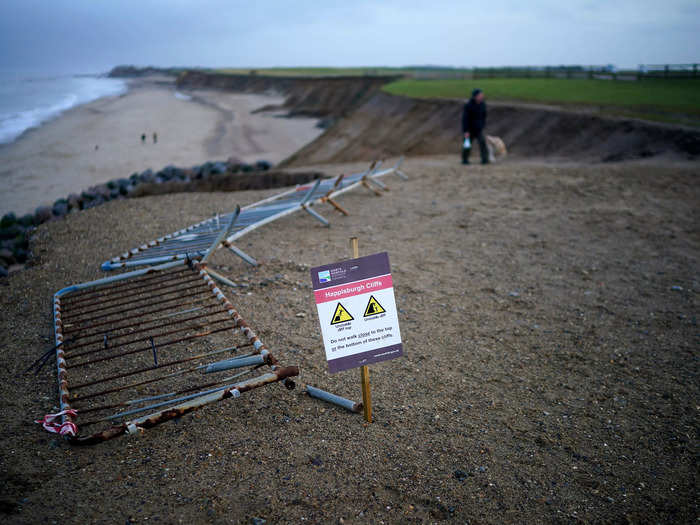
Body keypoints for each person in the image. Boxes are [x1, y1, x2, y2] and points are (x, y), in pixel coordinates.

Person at [461, 88, 489, 165]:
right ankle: (465, 159)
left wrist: (482, 125)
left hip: (479, 129)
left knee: (483, 142)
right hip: (469, 129)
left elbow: (484, 116)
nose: (482, 96)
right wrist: (466, 131)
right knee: (467, 145)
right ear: (475, 96)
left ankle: (485, 159)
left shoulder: (483, 104)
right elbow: (465, 119)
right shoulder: (469, 105)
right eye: (480, 95)